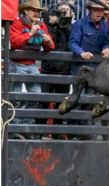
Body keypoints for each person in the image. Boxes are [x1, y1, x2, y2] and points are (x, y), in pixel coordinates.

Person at [9, 0, 55, 139]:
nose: (37, 13)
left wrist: (47, 42)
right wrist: (30, 34)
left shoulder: (41, 25)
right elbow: (13, 42)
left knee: (36, 96)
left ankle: (24, 126)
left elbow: (51, 46)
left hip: (32, 65)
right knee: (15, 98)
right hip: (16, 64)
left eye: (38, 11)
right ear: (26, 11)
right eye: (34, 10)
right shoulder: (17, 23)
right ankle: (14, 129)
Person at [69, 0, 109, 77]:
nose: (99, 13)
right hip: (80, 67)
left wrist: (107, 49)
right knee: (78, 88)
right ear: (91, 10)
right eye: (96, 10)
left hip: (97, 67)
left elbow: (106, 42)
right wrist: (82, 53)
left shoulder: (105, 26)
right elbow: (73, 44)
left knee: (92, 89)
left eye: (101, 10)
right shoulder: (79, 24)